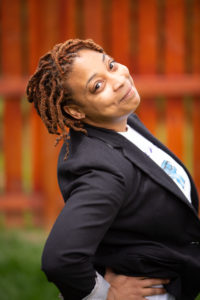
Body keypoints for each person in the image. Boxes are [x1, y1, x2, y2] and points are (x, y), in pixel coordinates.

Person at [26, 39, 200, 300]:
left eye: (111, 65)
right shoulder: (103, 171)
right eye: (98, 86)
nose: (118, 79)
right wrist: (105, 294)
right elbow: (60, 258)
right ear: (75, 111)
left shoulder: (122, 121)